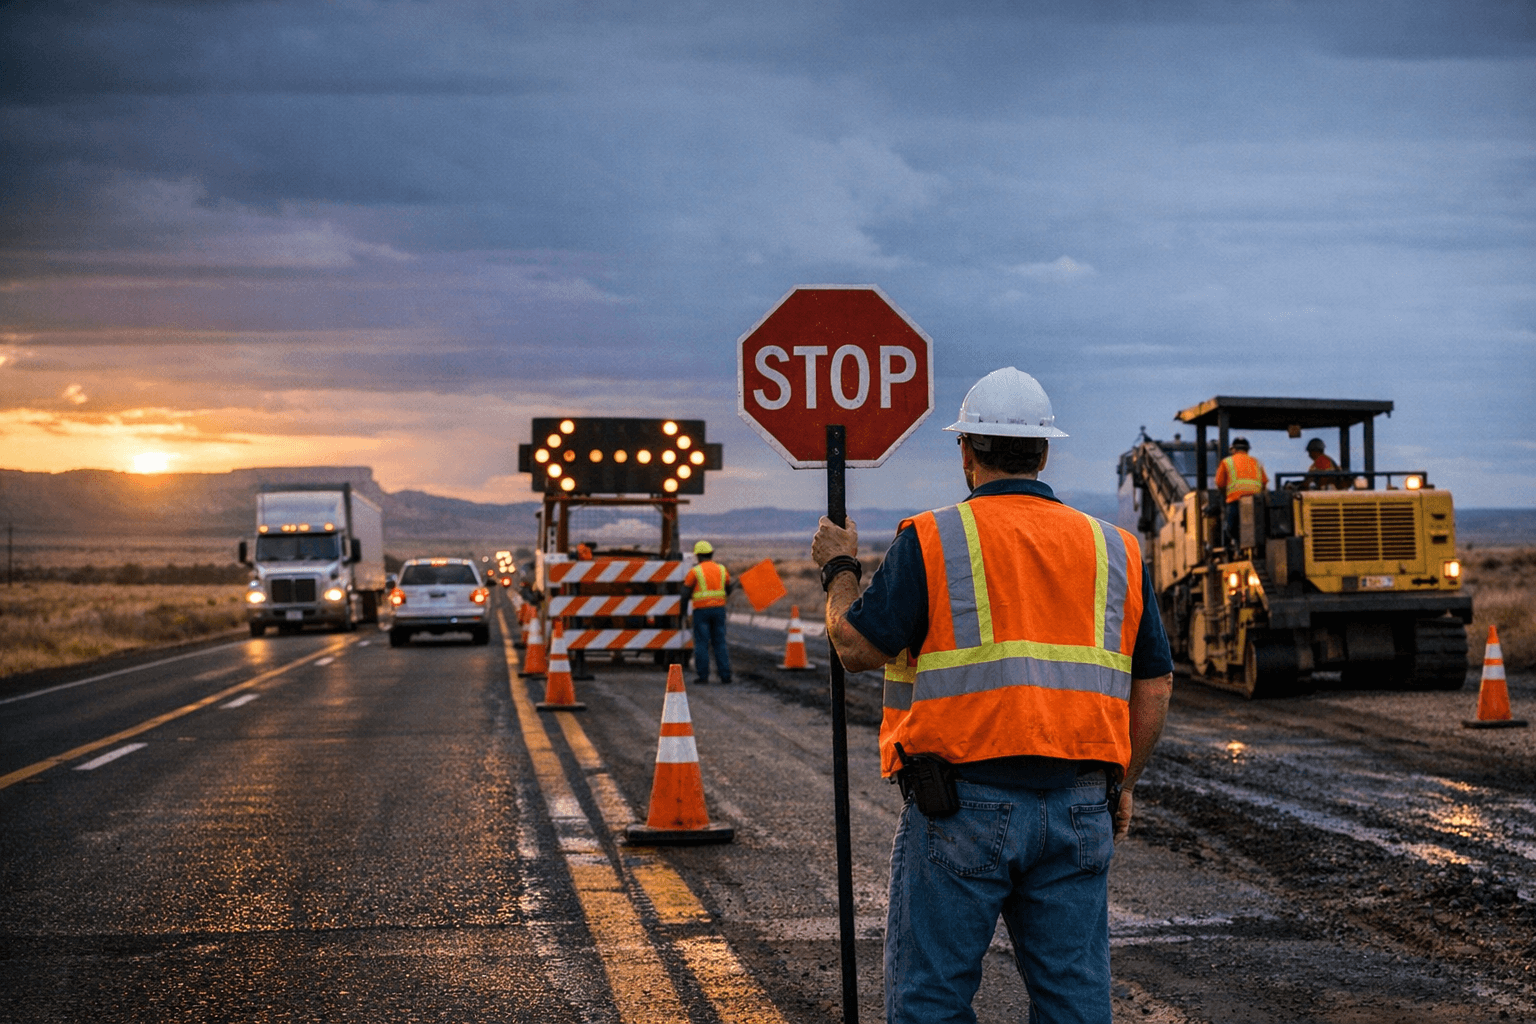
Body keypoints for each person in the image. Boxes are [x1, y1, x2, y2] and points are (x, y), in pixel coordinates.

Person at [811, 366, 1173, 1024]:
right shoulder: (1116, 549)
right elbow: (1155, 682)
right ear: (1044, 451)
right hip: (1080, 805)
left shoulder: (933, 538)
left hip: (959, 811)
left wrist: (839, 571)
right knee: (1075, 1003)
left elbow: (854, 648)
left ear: (966, 451)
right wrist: (1123, 785)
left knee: (932, 1001)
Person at [683, 539, 732, 685]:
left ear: (697, 556)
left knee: (701, 644)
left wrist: (682, 613)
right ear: (711, 554)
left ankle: (703, 677)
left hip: (701, 612)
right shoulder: (722, 570)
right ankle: (725, 676)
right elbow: (728, 589)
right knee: (720, 643)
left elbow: (685, 593)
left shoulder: (695, 571)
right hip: (719, 610)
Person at [1213, 436, 1268, 549]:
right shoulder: (1256, 462)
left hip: (1236, 501)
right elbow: (1264, 483)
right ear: (1247, 450)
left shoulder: (1227, 462)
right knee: (1257, 528)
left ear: (1233, 450)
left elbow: (1219, 483)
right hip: (1256, 502)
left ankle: (1237, 546)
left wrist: (1226, 494)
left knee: (1231, 527)